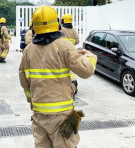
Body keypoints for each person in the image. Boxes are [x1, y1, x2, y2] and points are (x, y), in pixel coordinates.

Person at [19, 6, 97, 148]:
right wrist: (90, 56)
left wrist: (31, 99)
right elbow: (86, 71)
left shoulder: (28, 50)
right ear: (56, 23)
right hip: (61, 117)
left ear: (35, 27)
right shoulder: (64, 46)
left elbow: (24, 81)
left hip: (39, 114)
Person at [61, 13, 80, 93]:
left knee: (62, 68)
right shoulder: (74, 31)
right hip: (72, 52)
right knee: (71, 68)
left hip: (62, 52)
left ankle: (64, 85)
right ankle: (73, 82)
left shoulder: (61, 29)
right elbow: (77, 41)